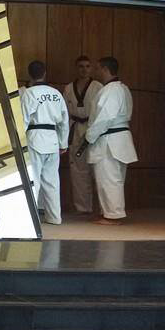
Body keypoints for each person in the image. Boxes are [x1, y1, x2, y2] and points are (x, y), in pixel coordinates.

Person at [84, 56, 137, 225]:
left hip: (109, 140)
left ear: (105, 69)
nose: (96, 72)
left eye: (98, 68)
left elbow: (105, 117)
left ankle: (113, 215)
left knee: (109, 179)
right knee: (114, 178)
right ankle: (109, 212)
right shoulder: (122, 88)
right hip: (119, 138)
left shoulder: (111, 90)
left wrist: (89, 137)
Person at [20, 60, 69, 225]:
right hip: (52, 138)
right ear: (45, 73)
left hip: (35, 136)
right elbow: (64, 121)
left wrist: (19, 141)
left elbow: (24, 118)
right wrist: (63, 143)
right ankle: (55, 217)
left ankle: (31, 219)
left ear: (30, 74)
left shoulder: (29, 93)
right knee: (52, 180)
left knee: (33, 179)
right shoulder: (56, 93)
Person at [63, 56, 103, 214]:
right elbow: (64, 112)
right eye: (81, 66)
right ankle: (83, 208)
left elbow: (102, 111)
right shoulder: (68, 88)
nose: (84, 69)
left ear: (91, 68)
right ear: (76, 68)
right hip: (75, 128)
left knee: (98, 168)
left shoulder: (98, 87)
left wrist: (95, 130)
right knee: (78, 170)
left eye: (87, 66)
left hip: (93, 128)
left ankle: (103, 208)